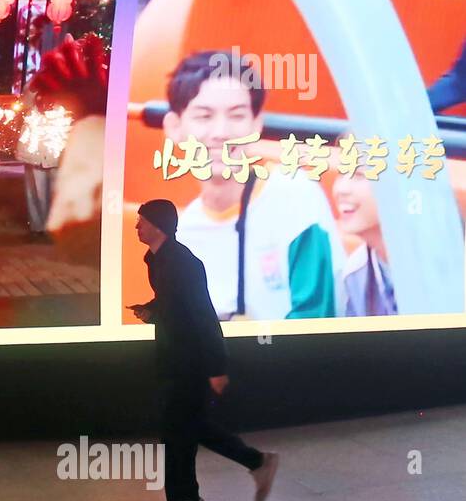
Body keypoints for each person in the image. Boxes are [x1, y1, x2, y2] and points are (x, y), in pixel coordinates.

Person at [161, 51, 344, 320]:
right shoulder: (182, 234)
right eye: (204, 116)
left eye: (236, 116)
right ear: (174, 127)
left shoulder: (295, 196)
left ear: (256, 124)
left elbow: (316, 321)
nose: (220, 132)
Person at [130, 199, 279, 501]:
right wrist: (152, 309)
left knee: (178, 429)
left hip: (190, 361)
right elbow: (174, 303)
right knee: (189, 427)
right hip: (175, 358)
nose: (136, 227)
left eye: (141, 222)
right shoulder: (156, 259)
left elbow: (202, 315)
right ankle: (255, 463)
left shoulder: (184, 263)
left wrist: (216, 366)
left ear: (157, 226)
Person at [332, 141, 398, 316]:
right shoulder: (353, 274)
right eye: (342, 172)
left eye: (359, 174)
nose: (341, 189)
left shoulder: (451, 264)